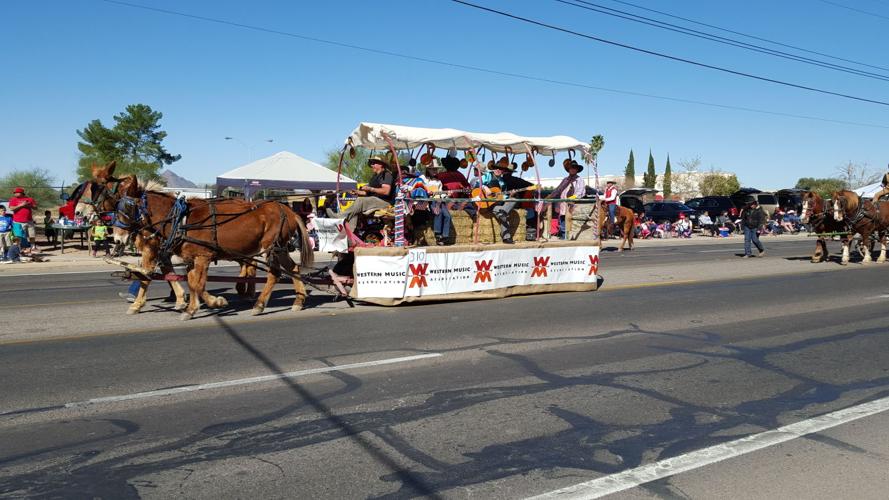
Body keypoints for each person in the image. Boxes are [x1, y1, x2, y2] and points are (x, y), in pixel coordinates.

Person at [328, 156, 396, 232]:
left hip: (385, 202)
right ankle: (350, 234)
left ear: (381, 164)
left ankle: (340, 216)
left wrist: (370, 188)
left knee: (360, 201)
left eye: (374, 163)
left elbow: (386, 191)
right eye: (371, 163)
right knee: (356, 210)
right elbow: (367, 192)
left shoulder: (386, 175)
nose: (372, 165)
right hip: (375, 200)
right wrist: (357, 192)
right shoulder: (374, 176)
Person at [432, 155, 472, 245]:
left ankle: (440, 234)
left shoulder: (440, 175)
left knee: (443, 212)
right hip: (450, 201)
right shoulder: (460, 175)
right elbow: (468, 189)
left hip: (443, 200)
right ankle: (443, 235)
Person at [547, 160, 585, 239]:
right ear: (569, 169)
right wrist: (550, 196)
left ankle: (566, 236)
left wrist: (572, 198)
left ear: (577, 170)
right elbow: (558, 189)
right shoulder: (565, 180)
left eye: (574, 168)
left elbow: (580, 192)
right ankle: (563, 235)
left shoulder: (579, 179)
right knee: (562, 218)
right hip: (562, 203)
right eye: (571, 168)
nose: (573, 169)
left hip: (572, 204)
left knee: (568, 219)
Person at [8, 187, 37, 255]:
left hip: (29, 221)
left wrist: (29, 205)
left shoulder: (29, 199)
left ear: (21, 193)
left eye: (17, 192)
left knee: (32, 234)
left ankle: (32, 247)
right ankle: (20, 248)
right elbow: (11, 208)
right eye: (14, 193)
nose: (15, 194)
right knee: (19, 236)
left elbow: (36, 207)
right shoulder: (13, 200)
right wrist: (21, 205)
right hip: (18, 221)